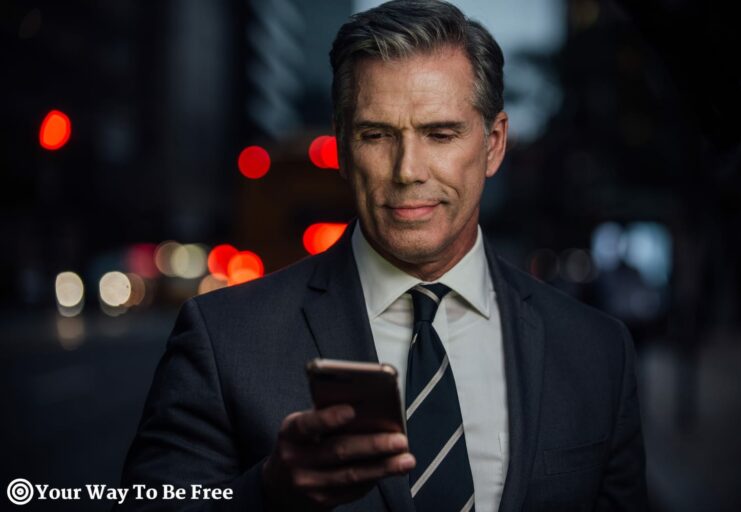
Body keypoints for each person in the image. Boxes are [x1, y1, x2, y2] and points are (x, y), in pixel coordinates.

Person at [119, 1, 647, 511]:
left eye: (440, 134)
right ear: (345, 148)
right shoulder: (223, 339)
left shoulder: (597, 352)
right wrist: (268, 493)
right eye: (377, 135)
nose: (407, 170)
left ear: (493, 145)